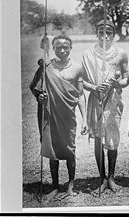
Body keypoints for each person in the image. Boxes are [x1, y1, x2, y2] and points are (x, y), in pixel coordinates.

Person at [30, 34, 88, 197]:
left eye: (65, 47)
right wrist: (39, 96)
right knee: (52, 149)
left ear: (70, 48)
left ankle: (71, 185)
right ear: (53, 48)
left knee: (70, 149)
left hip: (68, 115)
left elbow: (80, 94)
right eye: (58, 47)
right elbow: (34, 87)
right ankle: (55, 186)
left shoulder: (77, 68)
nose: (62, 50)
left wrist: (85, 119)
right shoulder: (46, 66)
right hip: (50, 114)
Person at [82, 20, 129, 193]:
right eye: (101, 32)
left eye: (108, 32)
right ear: (96, 33)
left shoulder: (121, 53)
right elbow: (82, 81)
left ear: (114, 34)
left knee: (112, 138)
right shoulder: (88, 54)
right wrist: (94, 88)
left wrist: (118, 84)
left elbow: (126, 78)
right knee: (98, 139)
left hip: (113, 101)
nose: (105, 35)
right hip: (96, 100)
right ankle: (101, 178)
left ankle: (111, 178)